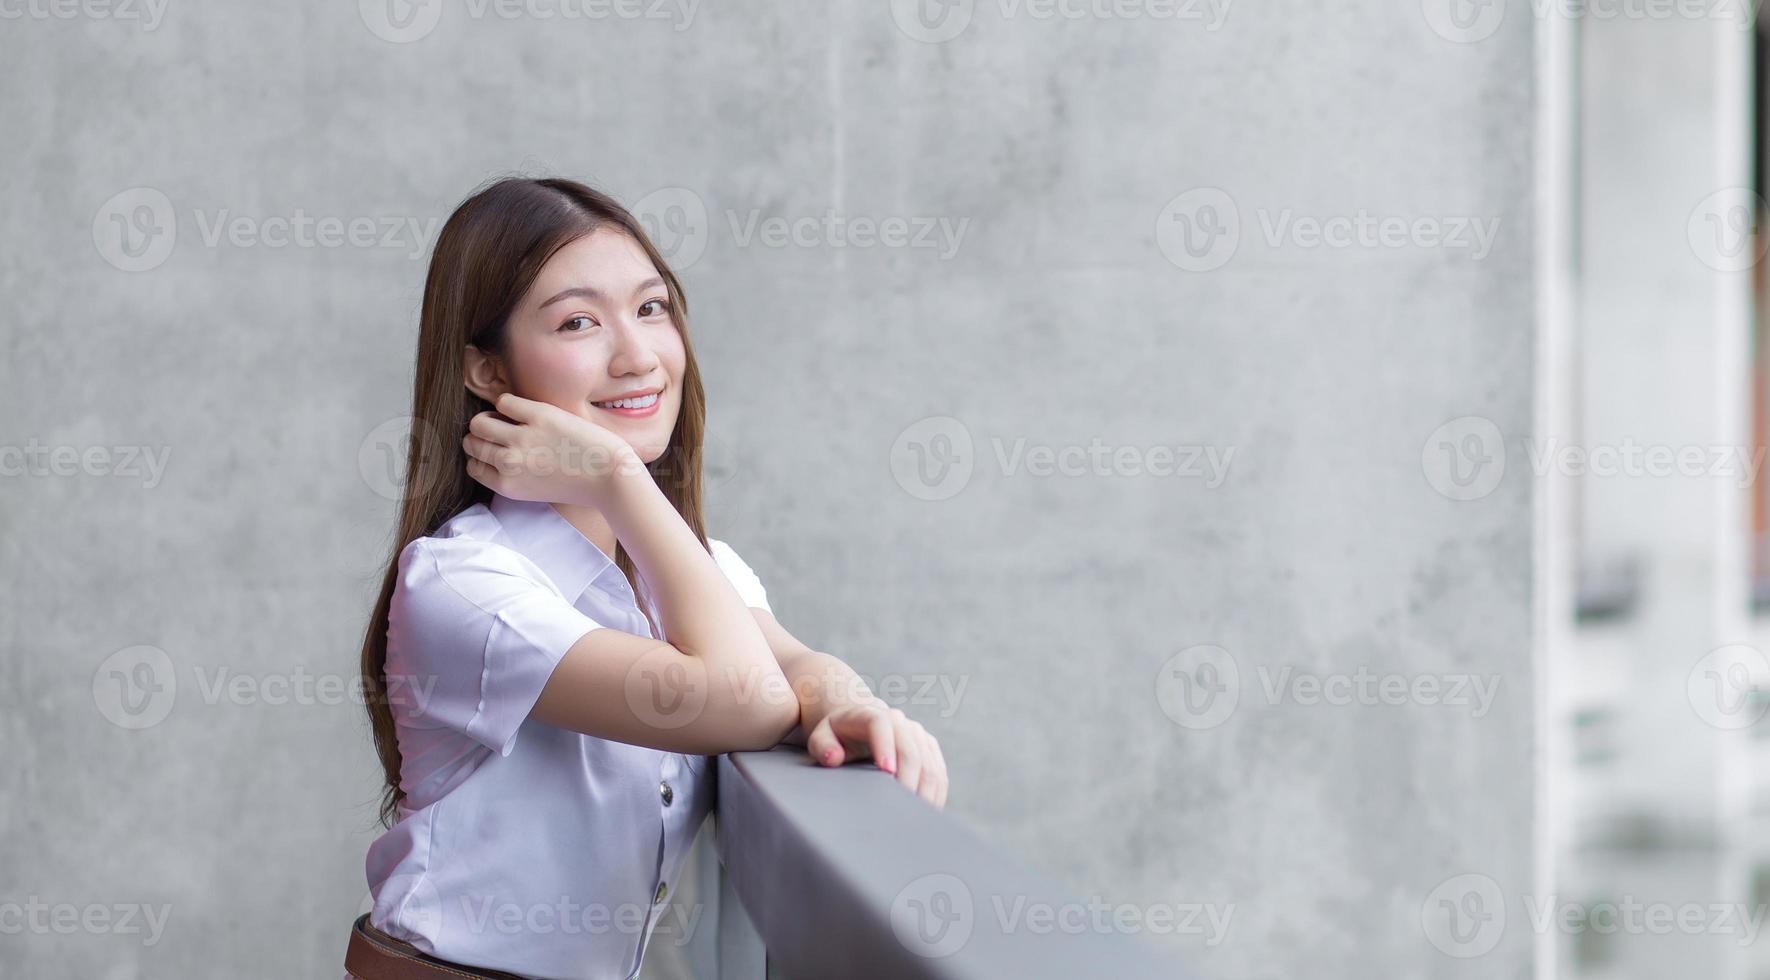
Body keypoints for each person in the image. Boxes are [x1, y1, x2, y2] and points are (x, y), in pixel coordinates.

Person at [345, 176, 948, 980]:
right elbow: (751, 698)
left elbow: (791, 668)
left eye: (653, 308)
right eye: (579, 322)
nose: (637, 356)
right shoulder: (462, 583)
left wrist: (850, 703)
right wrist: (613, 477)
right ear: (487, 372)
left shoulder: (684, 568)